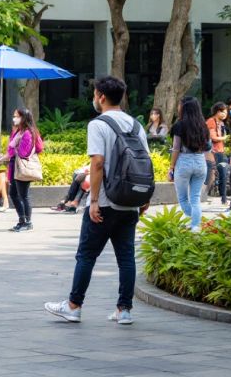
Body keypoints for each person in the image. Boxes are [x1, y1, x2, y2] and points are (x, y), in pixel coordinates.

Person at [45, 75, 150, 325]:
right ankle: (124, 310)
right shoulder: (136, 125)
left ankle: (73, 306)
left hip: (104, 202)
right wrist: (145, 197)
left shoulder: (98, 124)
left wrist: (92, 201)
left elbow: (98, 162)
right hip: (130, 202)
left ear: (101, 97)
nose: (94, 98)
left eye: (94, 94)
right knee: (126, 258)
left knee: (86, 256)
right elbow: (145, 162)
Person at [169, 97, 212, 233]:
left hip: (184, 162)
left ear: (184, 108)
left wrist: (171, 167)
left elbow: (176, 148)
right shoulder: (203, 126)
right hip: (200, 162)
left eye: (179, 105)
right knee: (195, 198)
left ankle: (195, 222)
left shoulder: (179, 125)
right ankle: (196, 224)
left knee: (182, 197)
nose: (178, 107)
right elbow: (208, 148)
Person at [4, 108, 43, 232]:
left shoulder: (27, 133)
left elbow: (23, 152)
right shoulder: (20, 131)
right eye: (14, 116)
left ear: (23, 118)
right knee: (14, 194)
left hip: (22, 167)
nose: (14, 118)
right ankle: (22, 220)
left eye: (16, 116)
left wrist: (14, 147)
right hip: (15, 167)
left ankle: (28, 222)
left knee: (23, 196)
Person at [206, 103, 229, 206]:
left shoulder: (222, 124)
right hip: (213, 153)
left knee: (223, 175)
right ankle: (204, 196)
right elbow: (213, 137)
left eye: (225, 112)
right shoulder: (211, 121)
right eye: (222, 111)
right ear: (217, 111)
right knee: (210, 176)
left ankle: (224, 198)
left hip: (221, 152)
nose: (224, 114)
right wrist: (224, 138)